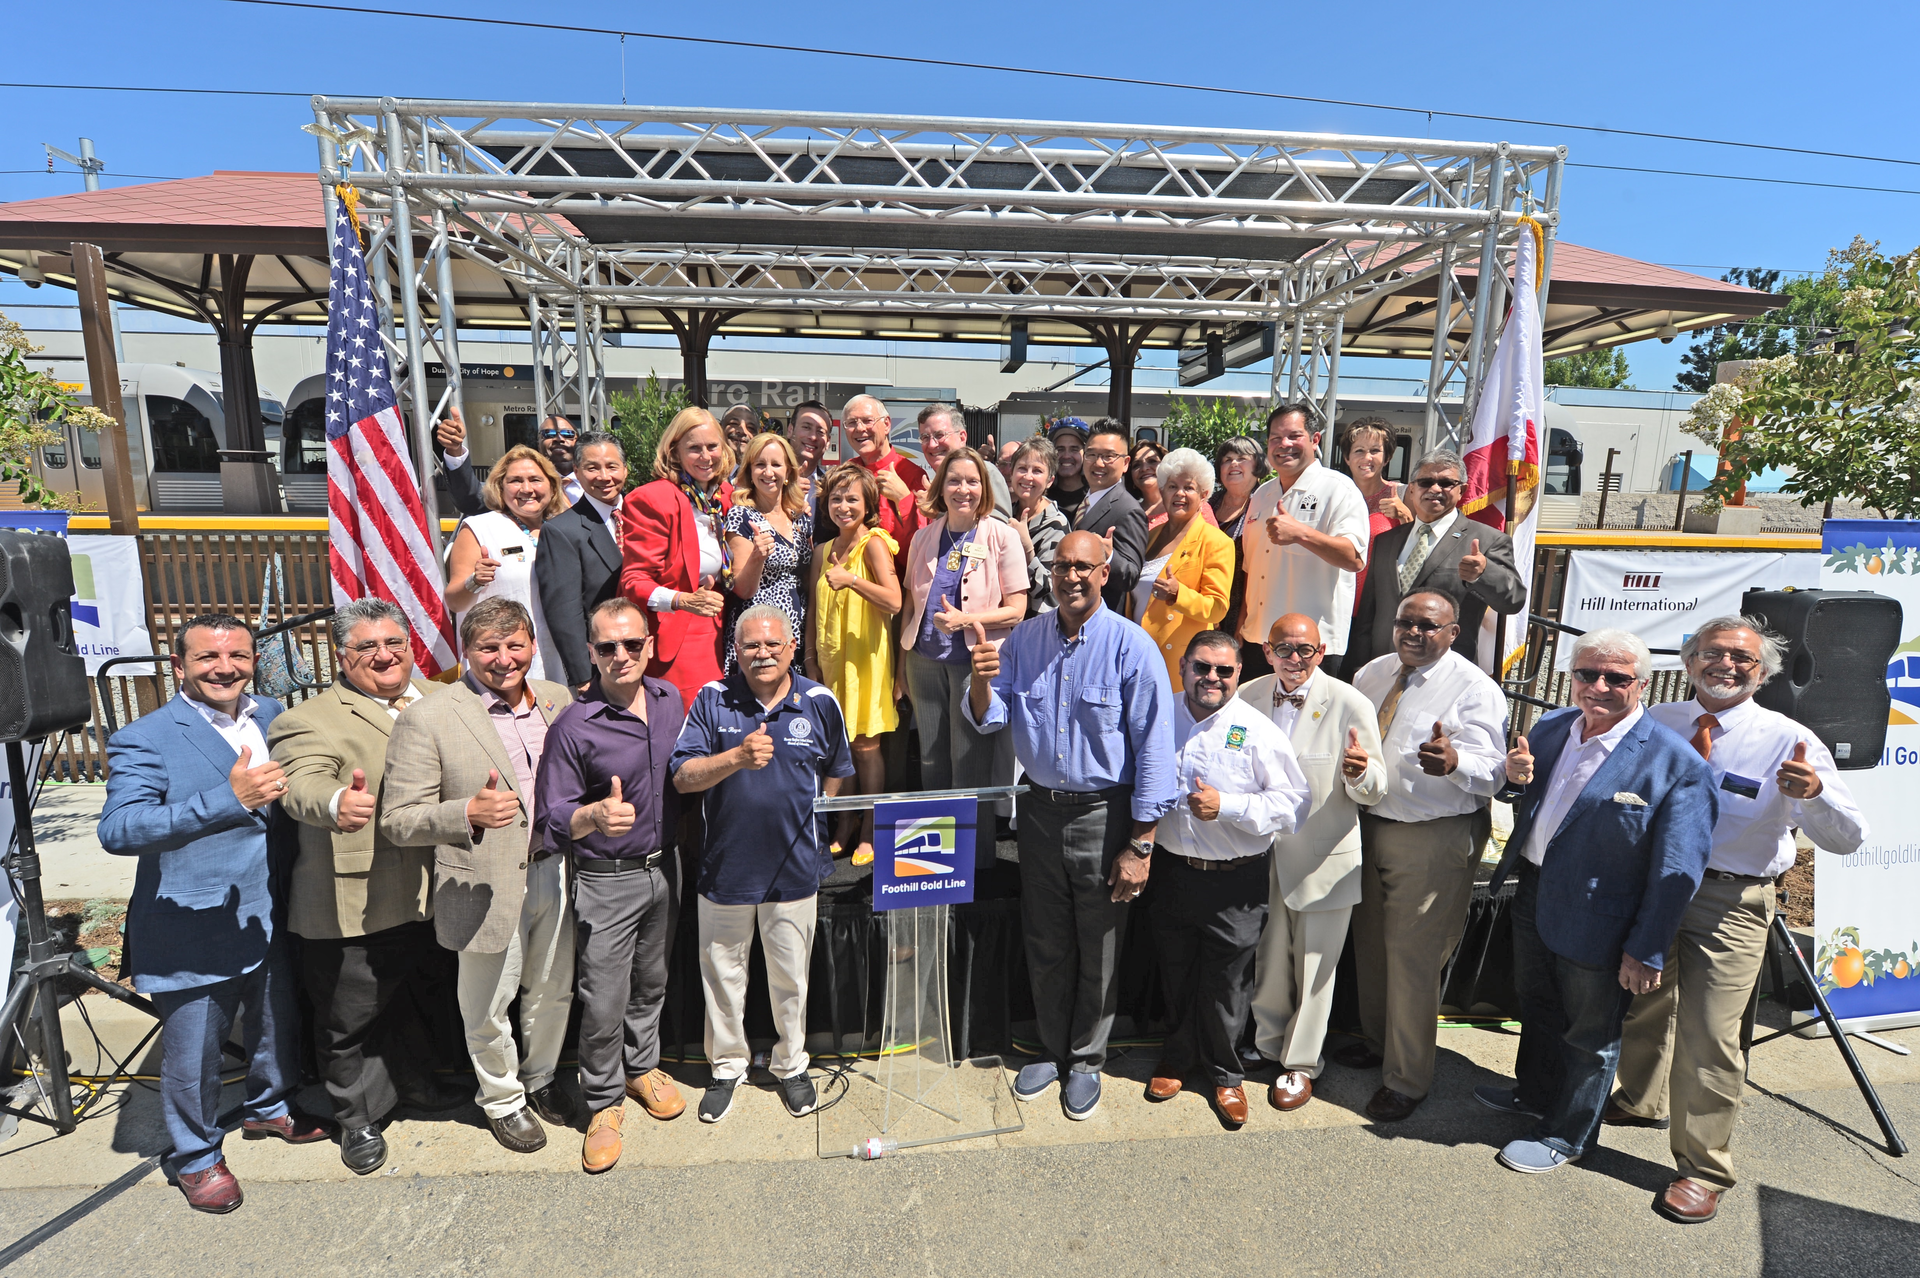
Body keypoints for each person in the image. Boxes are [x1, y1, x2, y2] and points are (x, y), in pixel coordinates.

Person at [1607, 616, 1866, 1223]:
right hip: (1652, 888)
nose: (1725, 665)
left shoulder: (1789, 739)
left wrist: (1813, 795)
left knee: (1711, 1034)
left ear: (1763, 673)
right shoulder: (1657, 721)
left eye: (1742, 658)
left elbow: (1849, 837)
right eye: (1712, 653)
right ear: (1690, 662)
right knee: (1644, 1003)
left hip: (1729, 900)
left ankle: (1703, 1169)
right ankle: (1640, 1100)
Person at [98, 614, 329, 1214]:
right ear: (179, 666)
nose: (225, 668)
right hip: (193, 922)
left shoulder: (272, 713)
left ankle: (268, 1108)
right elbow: (120, 829)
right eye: (207, 658)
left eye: (238, 656)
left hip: (272, 909)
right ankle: (197, 1155)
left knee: (275, 1024)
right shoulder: (146, 736)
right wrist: (229, 800)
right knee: (194, 1052)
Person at [1479, 629, 1716, 1175]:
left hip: (1603, 917)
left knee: (1592, 1034)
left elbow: (1677, 870)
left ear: (1643, 684)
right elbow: (1526, 797)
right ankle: (1535, 1095)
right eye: (1588, 674)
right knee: (1537, 1006)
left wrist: (1647, 948)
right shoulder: (1553, 727)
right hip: (1534, 891)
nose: (1600, 687)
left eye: (1617, 677)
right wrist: (1512, 782)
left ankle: (1567, 1135)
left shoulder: (1676, 763)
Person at [966, 530, 1177, 1120]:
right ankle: (1052, 1048)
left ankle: (1086, 1058)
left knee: (1100, 941)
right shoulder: (1024, 639)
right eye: (1062, 566)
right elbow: (989, 718)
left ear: (1105, 573)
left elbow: (1155, 750)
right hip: (1038, 810)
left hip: (1103, 814)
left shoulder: (1132, 646)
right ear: (1050, 574)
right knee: (1046, 938)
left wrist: (1141, 844)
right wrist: (980, 678)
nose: (1072, 577)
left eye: (1084, 566)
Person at [267, 600, 465, 1177]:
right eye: (366, 647)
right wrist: (336, 803)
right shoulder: (309, 718)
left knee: (414, 1001)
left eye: (394, 643)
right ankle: (355, 1118)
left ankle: (417, 1086)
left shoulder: (448, 697)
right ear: (341, 656)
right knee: (348, 1018)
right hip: (356, 898)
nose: (384, 656)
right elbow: (300, 781)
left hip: (438, 889)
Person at [380, 598, 578, 1155]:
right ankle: (502, 1099)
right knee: (489, 1004)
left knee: (552, 989)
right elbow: (397, 819)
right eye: (489, 648)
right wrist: (463, 812)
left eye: (515, 645)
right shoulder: (429, 716)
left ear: (533, 645)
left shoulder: (557, 700)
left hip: (556, 870)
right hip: (482, 881)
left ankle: (540, 1078)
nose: (504, 659)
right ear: (466, 651)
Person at [671, 606, 855, 1124]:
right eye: (751, 645)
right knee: (723, 979)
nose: (763, 653)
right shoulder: (712, 698)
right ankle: (727, 1067)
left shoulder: (819, 701)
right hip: (725, 868)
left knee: (791, 979)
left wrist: (816, 816)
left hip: (794, 869)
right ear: (736, 651)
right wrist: (736, 757)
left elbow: (838, 768)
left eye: (773, 644)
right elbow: (682, 776)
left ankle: (791, 1064)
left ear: (792, 647)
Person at [535, 599, 689, 1174]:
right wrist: (594, 816)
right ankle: (602, 1101)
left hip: (666, 868)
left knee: (652, 982)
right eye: (607, 647)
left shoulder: (670, 699)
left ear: (650, 644)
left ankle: (641, 1068)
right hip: (607, 879)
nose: (621, 655)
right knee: (603, 999)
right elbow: (552, 816)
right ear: (591, 653)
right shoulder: (573, 725)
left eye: (632, 644)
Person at [1342, 587, 1508, 1121]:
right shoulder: (1372, 673)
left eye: (1428, 625)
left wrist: (1455, 762)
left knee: (1413, 959)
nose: (1413, 633)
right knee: (1370, 945)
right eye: (1405, 622)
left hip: (1433, 835)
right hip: (1369, 825)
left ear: (1453, 633)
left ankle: (1407, 1079)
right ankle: (1378, 1043)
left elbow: (1495, 771)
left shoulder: (1474, 688)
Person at [1146, 631, 1310, 1127]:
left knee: (1228, 984)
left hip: (1235, 878)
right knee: (1174, 971)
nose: (1211, 678)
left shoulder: (1257, 729)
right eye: (1202, 667)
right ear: (1183, 666)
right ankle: (1176, 1060)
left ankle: (1225, 1074)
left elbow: (1293, 806)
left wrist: (1229, 806)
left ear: (1239, 673)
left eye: (1224, 670)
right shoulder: (1157, 715)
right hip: (1172, 869)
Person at [1236, 612, 1386, 1112]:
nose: (1294, 659)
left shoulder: (1349, 702)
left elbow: (1376, 789)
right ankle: (1266, 1045)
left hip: (1325, 860)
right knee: (1269, 958)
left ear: (1322, 652)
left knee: (1316, 969)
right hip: (1262, 853)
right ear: (1267, 651)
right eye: (1284, 648)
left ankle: (1301, 1063)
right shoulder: (1248, 695)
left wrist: (1360, 774)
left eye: (1305, 650)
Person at [899, 447, 1028, 831]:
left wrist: (966, 620)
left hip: (974, 667)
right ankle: (939, 854)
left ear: (984, 488)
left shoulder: (1002, 536)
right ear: (941, 487)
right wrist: (900, 665)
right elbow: (910, 605)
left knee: (969, 765)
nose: (963, 489)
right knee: (931, 762)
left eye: (972, 481)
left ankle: (975, 858)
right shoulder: (923, 537)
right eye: (954, 480)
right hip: (923, 661)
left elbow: (1017, 610)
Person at [1345, 449, 1526, 676]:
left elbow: (1513, 601)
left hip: (1443, 675)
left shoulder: (1488, 540)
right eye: (1426, 482)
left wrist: (1483, 574)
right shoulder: (1387, 540)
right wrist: (1358, 669)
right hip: (1383, 669)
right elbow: (1368, 616)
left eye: (1446, 483)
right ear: (1412, 489)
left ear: (1462, 491)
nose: (1435, 489)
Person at [805, 462, 902, 865]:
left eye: (851, 499)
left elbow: (894, 601)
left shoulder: (874, 543)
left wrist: (853, 581)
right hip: (830, 663)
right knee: (837, 748)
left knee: (865, 747)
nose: (843, 506)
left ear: (868, 505)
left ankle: (869, 829)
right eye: (836, 499)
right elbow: (812, 610)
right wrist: (810, 660)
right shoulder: (822, 551)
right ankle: (843, 824)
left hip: (866, 662)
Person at [619, 406, 734, 709]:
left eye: (712, 446)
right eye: (694, 448)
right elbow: (634, 581)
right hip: (684, 634)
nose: (706, 456)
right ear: (674, 452)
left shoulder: (727, 495)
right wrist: (682, 600)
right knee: (694, 718)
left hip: (729, 627)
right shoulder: (653, 498)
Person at [1238, 405, 1368, 672]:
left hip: (1310, 648)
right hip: (1259, 640)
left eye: (1294, 436)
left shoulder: (1339, 489)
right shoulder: (1262, 495)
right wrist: (1242, 625)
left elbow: (1354, 558)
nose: (1284, 444)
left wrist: (1301, 534)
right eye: (1275, 438)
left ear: (1315, 439)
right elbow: (1252, 570)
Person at [446, 443, 569, 683]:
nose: (526, 489)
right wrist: (474, 581)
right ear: (500, 487)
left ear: (552, 486)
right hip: (501, 663)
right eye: (515, 481)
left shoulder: (563, 528)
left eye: (535, 479)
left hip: (557, 660)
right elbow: (454, 601)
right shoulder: (480, 528)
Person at [1132, 448, 1235, 688]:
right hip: (1136, 654)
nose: (1179, 493)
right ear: (1162, 491)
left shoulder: (1217, 542)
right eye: (1172, 486)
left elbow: (1217, 608)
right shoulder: (1149, 536)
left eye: (1189, 487)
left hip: (1177, 663)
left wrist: (1178, 594)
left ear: (1204, 494)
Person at [536, 430, 630, 691]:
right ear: (576, 472)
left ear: (625, 469)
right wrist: (583, 677)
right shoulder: (561, 531)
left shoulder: (646, 515)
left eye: (612, 466)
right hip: (603, 664)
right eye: (592, 468)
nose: (604, 476)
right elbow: (564, 611)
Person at [723, 433, 813, 673]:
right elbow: (742, 589)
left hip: (796, 631)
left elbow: (807, 578)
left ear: (788, 471)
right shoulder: (741, 516)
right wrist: (757, 557)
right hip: (758, 636)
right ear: (750, 472)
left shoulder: (800, 517)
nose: (768, 472)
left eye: (776, 464)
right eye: (760, 464)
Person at [842, 393, 927, 576]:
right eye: (851, 423)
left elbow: (920, 549)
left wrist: (904, 500)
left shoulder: (913, 475)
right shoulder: (846, 472)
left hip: (897, 583)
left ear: (887, 424)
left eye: (867, 420)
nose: (860, 428)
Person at [1071, 420, 1149, 613]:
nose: (1099, 463)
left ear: (1126, 463)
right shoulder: (1085, 501)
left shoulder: (1128, 510)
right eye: (1092, 454)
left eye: (1109, 456)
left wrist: (1109, 555)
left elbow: (1131, 576)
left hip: (1100, 616)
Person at [1210, 435, 1269, 675]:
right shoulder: (1208, 503)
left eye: (1242, 458)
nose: (1233, 464)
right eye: (1227, 459)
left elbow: (1257, 570)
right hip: (1206, 607)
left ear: (1258, 465)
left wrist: (1242, 621)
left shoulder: (1264, 504)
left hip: (1246, 612)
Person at [1341, 418, 1412, 608]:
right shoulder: (1335, 495)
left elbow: (1419, 548)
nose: (1367, 458)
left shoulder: (1404, 494)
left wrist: (1405, 517)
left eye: (1375, 451)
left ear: (1387, 457)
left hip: (1380, 601)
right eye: (1359, 450)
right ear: (1347, 458)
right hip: (1338, 595)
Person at [918, 403, 1012, 518]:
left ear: (962, 437)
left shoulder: (986, 472)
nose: (932, 445)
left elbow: (999, 525)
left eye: (939, 435)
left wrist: (937, 512)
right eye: (925, 437)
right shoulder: (932, 483)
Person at [1010, 438, 1070, 614]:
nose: (1028, 477)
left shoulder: (1056, 524)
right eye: (1022, 468)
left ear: (1050, 481)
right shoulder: (1008, 513)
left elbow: (1045, 587)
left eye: (1037, 471)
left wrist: (1027, 548)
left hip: (1039, 622)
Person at [430, 404, 488, 517]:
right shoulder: (506, 497)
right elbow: (472, 500)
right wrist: (454, 449)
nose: (524, 488)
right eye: (516, 480)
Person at [786, 400, 834, 531]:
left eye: (820, 431)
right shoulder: (766, 479)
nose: (813, 437)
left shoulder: (831, 487)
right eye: (806, 427)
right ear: (790, 430)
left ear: (828, 442)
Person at [1045, 418, 1090, 525]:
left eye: (1074, 449)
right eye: (1060, 449)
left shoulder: (1094, 496)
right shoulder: (1041, 496)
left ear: (1085, 453)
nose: (1066, 456)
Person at [537, 414, 586, 505]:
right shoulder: (532, 485)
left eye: (568, 433)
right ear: (539, 443)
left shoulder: (594, 481)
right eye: (548, 433)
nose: (559, 439)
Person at [1126, 439, 1169, 529]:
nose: (1144, 468)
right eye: (1136, 465)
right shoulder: (1127, 513)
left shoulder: (1182, 507)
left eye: (1152, 461)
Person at [719, 404, 759, 473]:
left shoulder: (761, 475)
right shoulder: (707, 470)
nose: (742, 431)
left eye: (750, 427)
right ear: (720, 428)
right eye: (734, 423)